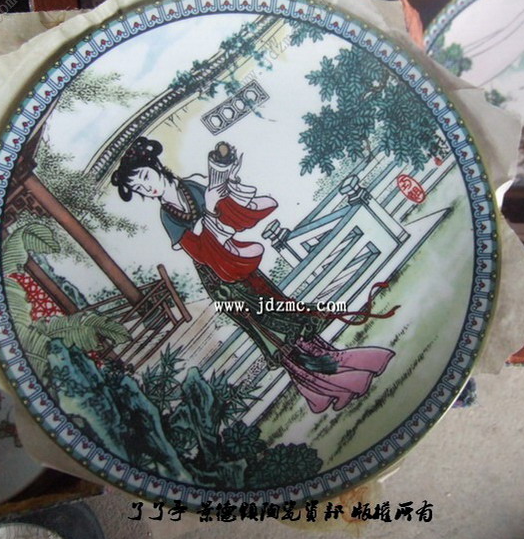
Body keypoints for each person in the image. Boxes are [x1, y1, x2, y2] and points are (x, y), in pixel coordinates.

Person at [111, 137, 395, 414]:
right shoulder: (167, 216)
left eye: (145, 177)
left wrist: (224, 192)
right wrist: (209, 213)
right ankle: (323, 388)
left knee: (282, 311)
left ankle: (334, 375)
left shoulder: (195, 183)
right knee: (265, 330)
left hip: (238, 261)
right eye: (139, 188)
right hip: (219, 278)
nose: (147, 188)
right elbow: (197, 250)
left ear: (156, 166)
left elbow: (227, 212)